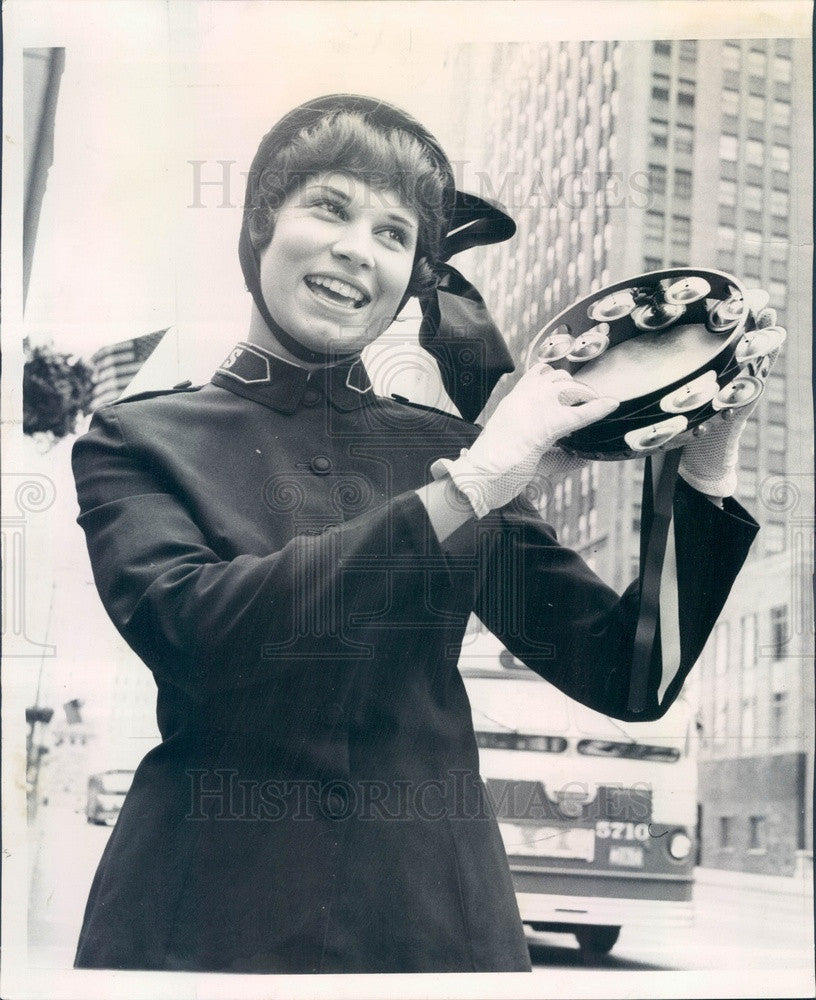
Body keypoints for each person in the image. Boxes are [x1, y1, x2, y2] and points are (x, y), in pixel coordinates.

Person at [71, 94, 761, 973]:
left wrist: (702, 471)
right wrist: (465, 492)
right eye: (329, 207)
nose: (358, 248)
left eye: (395, 234)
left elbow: (633, 675)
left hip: (435, 928)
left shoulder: (451, 449)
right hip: (202, 924)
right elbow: (200, 634)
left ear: (410, 281)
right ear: (258, 226)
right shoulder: (138, 439)